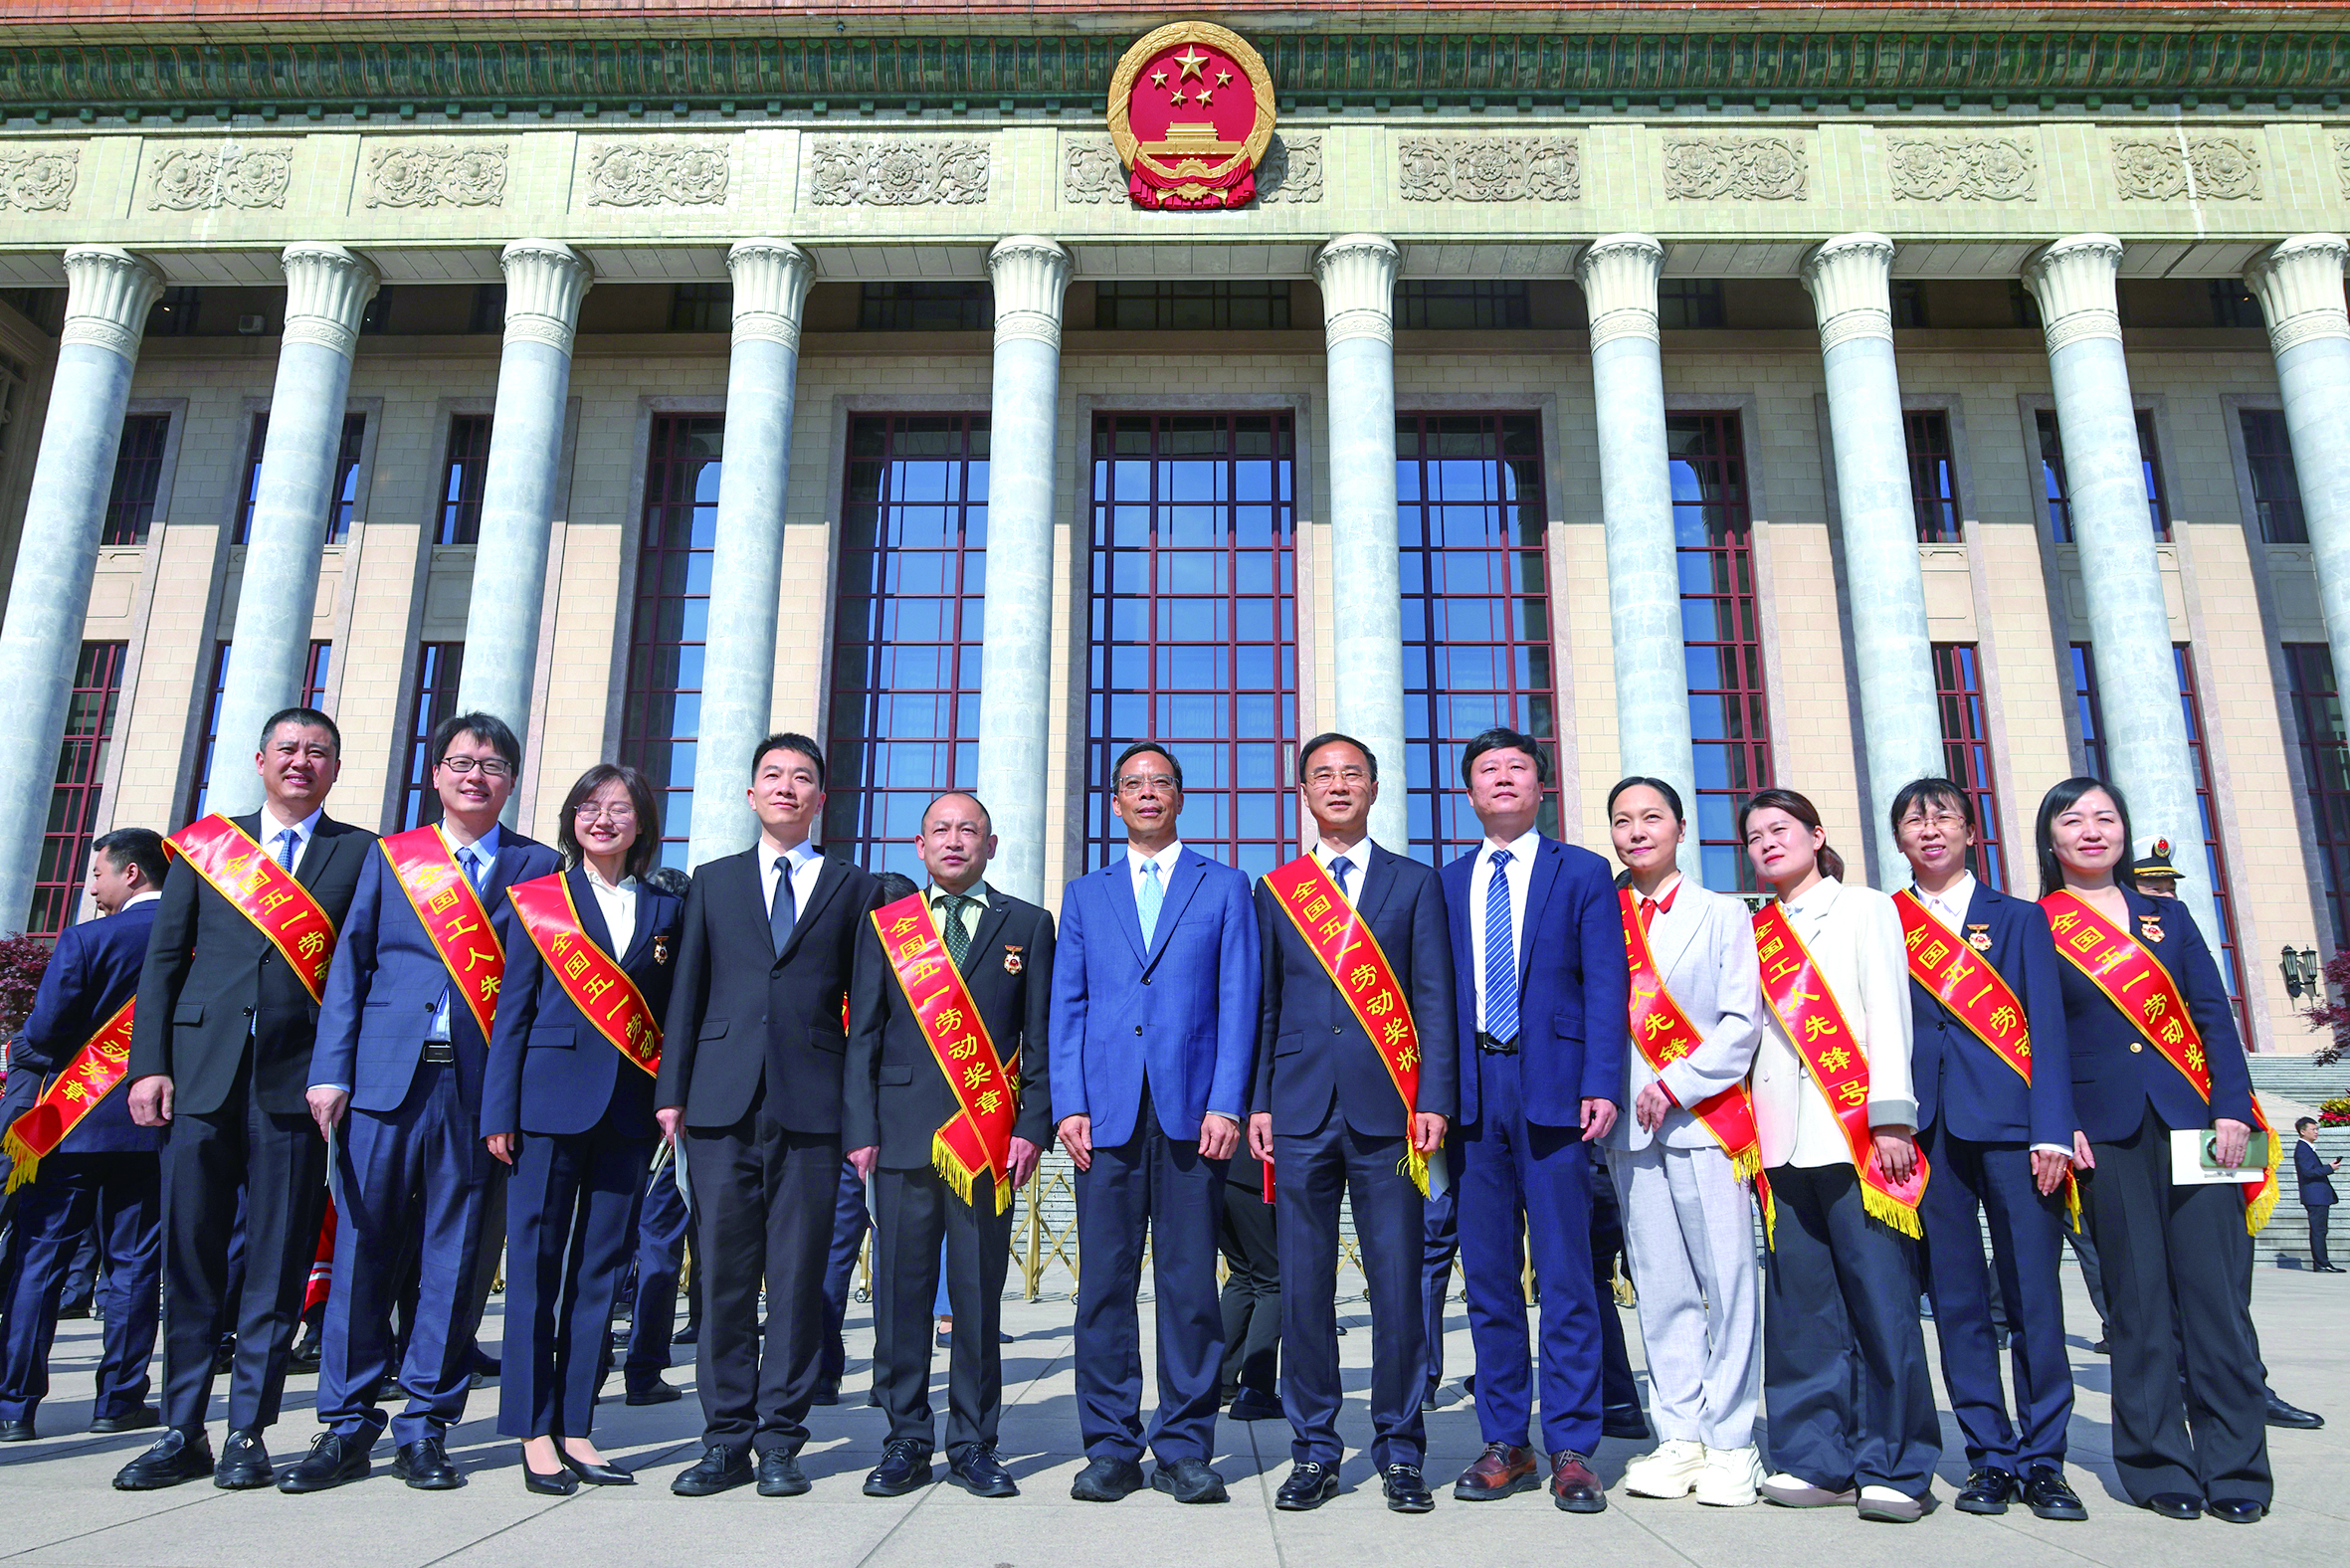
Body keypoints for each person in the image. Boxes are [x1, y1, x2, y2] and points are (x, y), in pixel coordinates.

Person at [282, 712, 559, 1493]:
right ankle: (344, 1423)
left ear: (510, 781)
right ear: (435, 773)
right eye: (463, 762)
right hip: (382, 1084)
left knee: (458, 1258)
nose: (477, 776)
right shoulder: (391, 858)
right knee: (365, 1250)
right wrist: (330, 1071)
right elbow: (351, 969)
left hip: (478, 1093)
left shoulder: (539, 867)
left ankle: (427, 1423)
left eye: (493, 765)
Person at [115, 707, 374, 1491]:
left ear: (334, 768)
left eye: (318, 753)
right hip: (198, 1074)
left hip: (296, 1086)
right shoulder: (205, 845)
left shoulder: (359, 853)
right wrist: (148, 1065)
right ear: (260, 760)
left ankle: (247, 1434)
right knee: (190, 1257)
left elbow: (358, 970)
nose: (301, 762)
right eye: (288, 750)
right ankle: (180, 1428)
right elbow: (163, 963)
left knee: (276, 1262)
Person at [2039, 777, 2274, 1522]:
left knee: (2217, 1304)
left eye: (2104, 818)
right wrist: (2060, 1116)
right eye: (2072, 820)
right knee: (2137, 1305)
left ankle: (2237, 1469)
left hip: (2198, 1124)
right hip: (2103, 1134)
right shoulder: (2034, 925)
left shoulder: (2167, 918)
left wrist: (2232, 1110)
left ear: (2124, 831)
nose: (2090, 831)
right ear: (2051, 840)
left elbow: (2213, 1017)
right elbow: (2036, 1039)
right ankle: (2155, 1464)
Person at [657, 733, 881, 1498]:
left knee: (795, 1280)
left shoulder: (855, 887)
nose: (787, 788)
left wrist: (862, 1122)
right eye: (773, 776)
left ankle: (782, 1439)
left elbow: (867, 1015)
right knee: (721, 1275)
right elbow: (687, 991)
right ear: (751, 795)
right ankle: (724, 1439)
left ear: (822, 799)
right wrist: (671, 1090)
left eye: (803, 778)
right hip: (720, 1103)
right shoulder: (712, 883)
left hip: (814, 1111)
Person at [1250, 732, 1456, 1514]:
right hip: (1299, 1110)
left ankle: (1402, 1449)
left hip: (1392, 1112)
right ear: (1304, 791)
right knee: (1304, 1287)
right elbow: (1265, 1005)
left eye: (1352, 775)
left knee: (1399, 1283)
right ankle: (1313, 1449)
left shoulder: (1413, 884)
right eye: (1323, 776)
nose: (1338, 787)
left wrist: (1433, 1097)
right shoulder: (1278, 889)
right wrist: (1259, 1100)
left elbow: (1434, 998)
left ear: (1374, 788)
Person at [1053, 741, 1259, 1505]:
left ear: (1180, 797)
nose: (1147, 795)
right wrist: (1068, 1102)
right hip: (1102, 1118)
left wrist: (1227, 1101)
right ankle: (1109, 1445)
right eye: (1133, 785)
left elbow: (1239, 1000)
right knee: (1102, 1288)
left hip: (1192, 1114)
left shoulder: (1224, 885)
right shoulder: (1086, 893)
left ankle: (1184, 1445)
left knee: (1188, 1288)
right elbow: (1067, 1005)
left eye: (1160, 784)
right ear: (1116, 802)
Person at [1437, 728, 1627, 1514]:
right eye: (1488, 771)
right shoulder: (1444, 883)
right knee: (1486, 1280)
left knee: (1568, 1274)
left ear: (1540, 786)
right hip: (1474, 1094)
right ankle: (1506, 1439)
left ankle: (1575, 1447)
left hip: (1555, 1088)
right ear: (1470, 793)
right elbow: (1432, 998)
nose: (1503, 779)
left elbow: (1606, 983)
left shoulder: (1580, 872)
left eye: (1518, 768)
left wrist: (1603, 1081)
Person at [1888, 777, 2086, 1522]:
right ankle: (1989, 1456)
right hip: (1926, 1132)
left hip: (2013, 1129)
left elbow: (2048, 1028)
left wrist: (2051, 1127)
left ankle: (2045, 1459)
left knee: (2034, 1298)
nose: (1930, 831)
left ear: (1972, 832)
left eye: (1944, 819)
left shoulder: (2019, 918)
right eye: (1915, 821)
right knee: (1960, 1303)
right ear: (1900, 838)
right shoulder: (1890, 921)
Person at [483, 762, 685, 1493]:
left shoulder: (667, 911)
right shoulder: (540, 900)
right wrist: (498, 1110)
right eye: (589, 807)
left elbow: (669, 1020)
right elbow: (513, 1013)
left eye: (620, 809)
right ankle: (533, 1432)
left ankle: (577, 1426)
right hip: (544, 1107)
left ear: (643, 825)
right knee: (535, 1269)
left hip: (628, 1114)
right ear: (572, 819)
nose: (603, 820)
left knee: (601, 1273)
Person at [846, 791, 1052, 1500]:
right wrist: (860, 1129)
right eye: (942, 830)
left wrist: (1032, 1125)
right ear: (919, 843)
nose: (955, 841)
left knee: (975, 1298)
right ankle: (905, 1436)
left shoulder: (1027, 923)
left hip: (987, 1138)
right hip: (899, 1136)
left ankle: (973, 1441)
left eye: (970, 831)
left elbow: (1041, 1043)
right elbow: (862, 1037)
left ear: (991, 846)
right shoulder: (887, 926)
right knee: (901, 1298)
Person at [1742, 788, 1940, 1523]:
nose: (1767, 843)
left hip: (1858, 1133)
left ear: (1816, 835)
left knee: (1882, 1301)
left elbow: (1889, 1009)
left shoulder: (1864, 908)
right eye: (1755, 835)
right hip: (1782, 1142)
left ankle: (1896, 1462)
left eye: (1781, 829)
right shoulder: (1758, 928)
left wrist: (1892, 1116)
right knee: (1801, 1310)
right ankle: (1814, 1456)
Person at [1596, 777, 1767, 1507]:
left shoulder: (1723, 914)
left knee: (1728, 1286)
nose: (1637, 832)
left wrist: (1677, 1081)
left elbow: (1742, 1022)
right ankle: (1680, 1436)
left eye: (1651, 818)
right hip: (1630, 1138)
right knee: (1661, 1290)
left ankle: (1732, 1442)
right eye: (1622, 820)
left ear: (1680, 827)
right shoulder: (1601, 914)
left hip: (1707, 1122)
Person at [0, 828, 170, 1442]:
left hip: (70, 1124)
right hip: (150, 1126)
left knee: (39, 1260)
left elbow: (44, 1035)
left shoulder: (85, 940)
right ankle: (118, 1400)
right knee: (132, 1265)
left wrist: (26, 1051)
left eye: (97, 873)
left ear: (132, 874)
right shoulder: (195, 943)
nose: (90, 885)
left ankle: (14, 1405)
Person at [1217, 1133, 1281, 1421]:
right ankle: (1256, 1391)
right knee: (1274, 1281)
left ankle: (1220, 1381)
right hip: (1255, 1172)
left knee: (1242, 1274)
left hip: (1219, 1169)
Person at [2297, 1117, 2340, 1273]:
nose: (2316, 1132)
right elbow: (2308, 1172)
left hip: (2318, 1196)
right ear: (2303, 1131)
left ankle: (2322, 1262)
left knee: (2320, 1230)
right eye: (2313, 1130)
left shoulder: (2307, 1148)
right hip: (2315, 1196)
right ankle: (2322, 1263)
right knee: (2318, 1230)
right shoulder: (2302, 1148)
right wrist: (2329, 1168)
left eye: (2317, 1129)